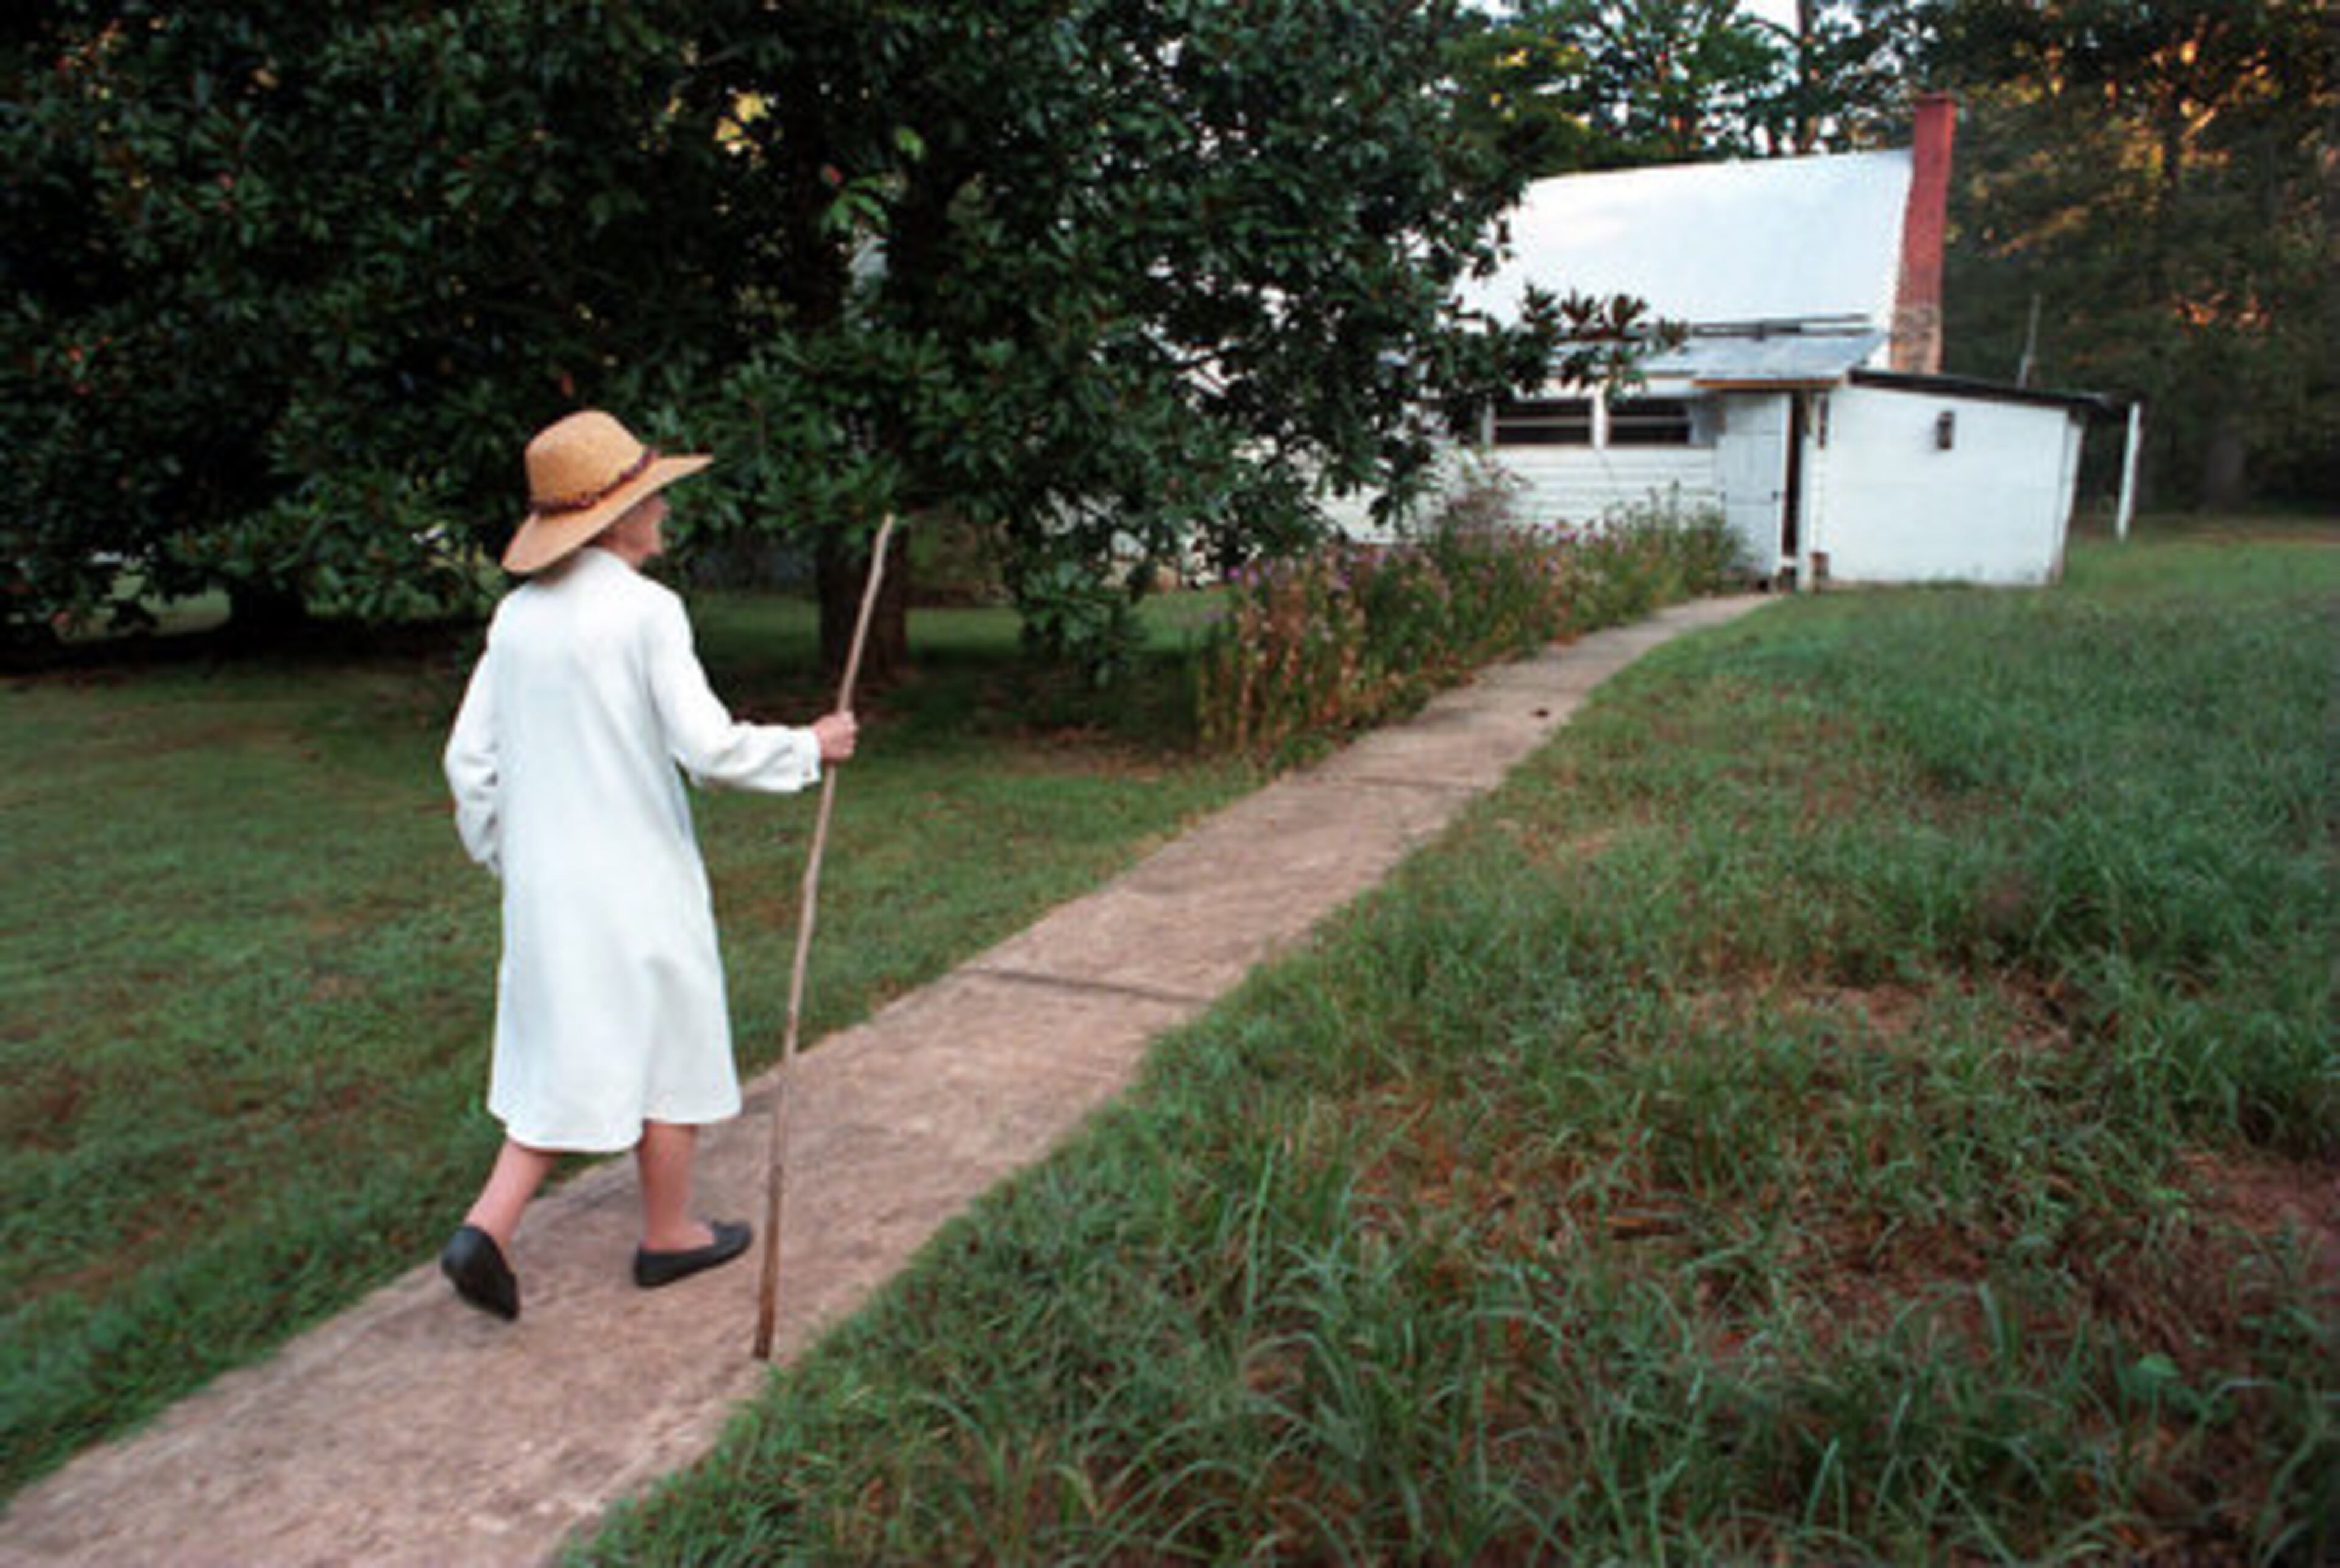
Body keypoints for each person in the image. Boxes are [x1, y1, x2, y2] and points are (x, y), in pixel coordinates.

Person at [437, 408, 857, 1321]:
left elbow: (468, 765)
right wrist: (808, 746)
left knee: (564, 1050)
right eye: (651, 493)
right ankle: (667, 1234)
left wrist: (515, 858)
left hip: (550, 892)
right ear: (613, 518)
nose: (664, 506)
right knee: (667, 1037)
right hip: (638, 883)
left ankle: (487, 1227)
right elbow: (705, 749)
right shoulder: (646, 612)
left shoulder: (518, 619)